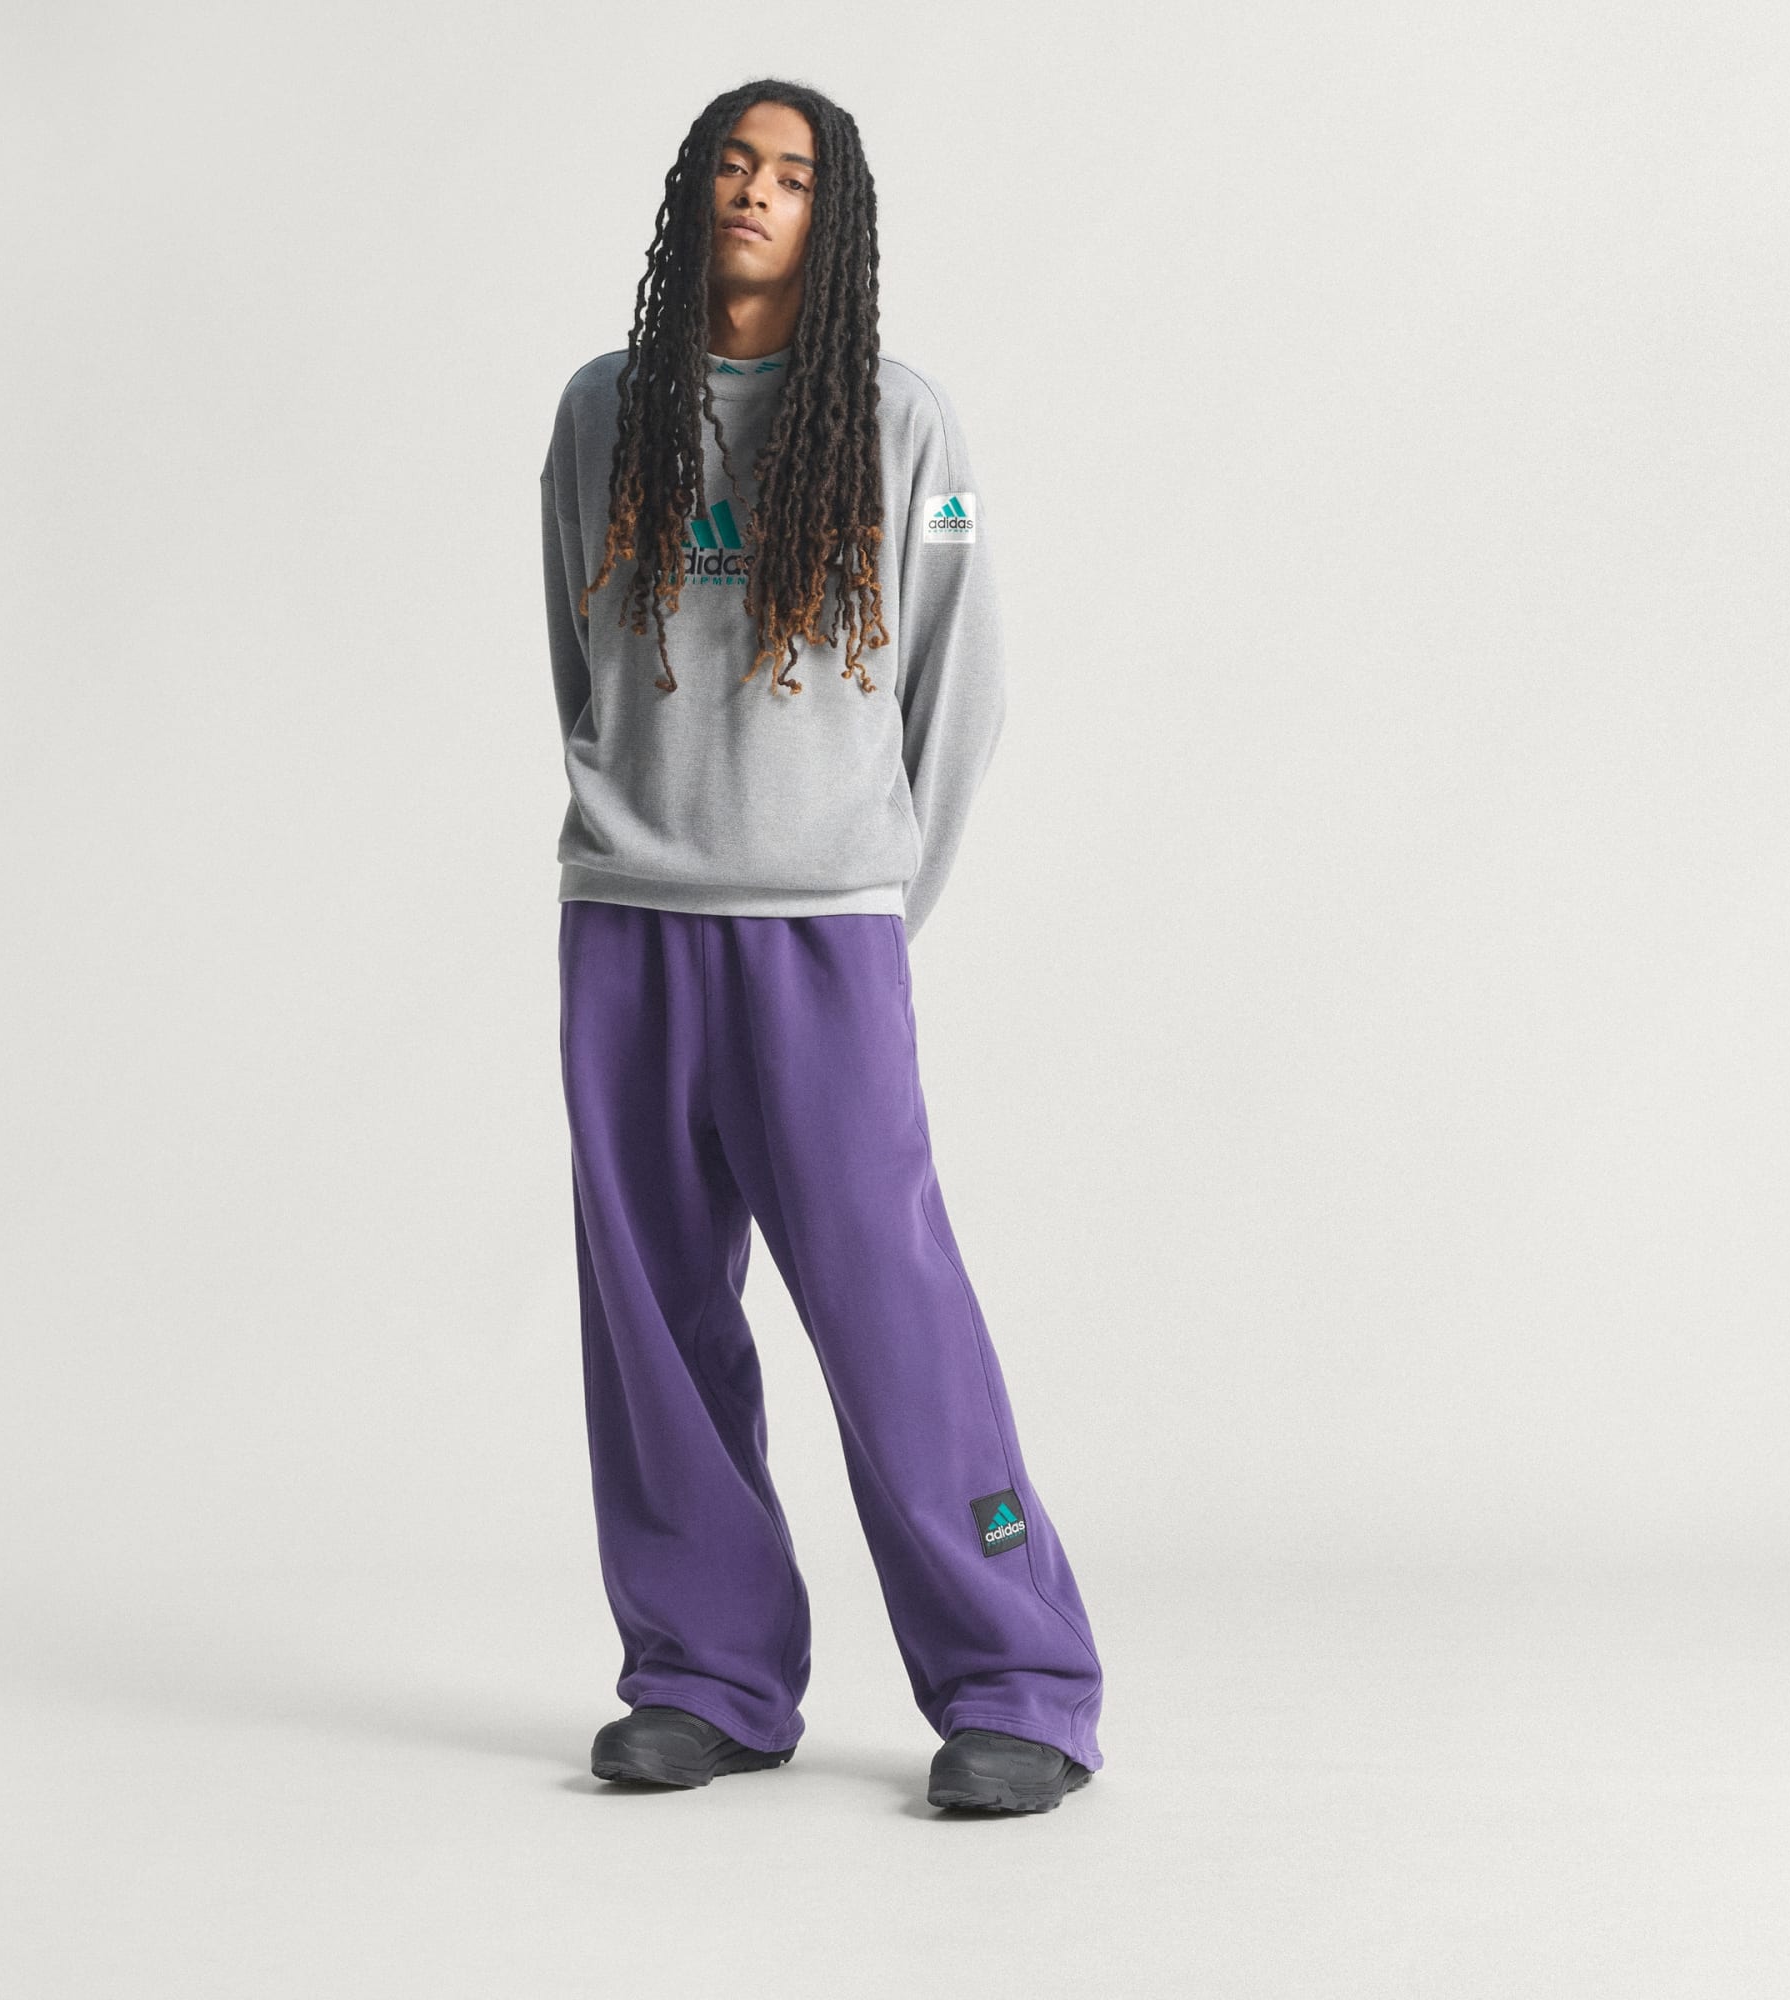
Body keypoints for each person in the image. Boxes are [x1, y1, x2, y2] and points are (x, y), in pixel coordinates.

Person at [540, 78, 1105, 1814]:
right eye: (733, 163)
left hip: (821, 938)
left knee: (889, 1305)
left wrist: (870, 894)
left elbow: (962, 686)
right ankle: (704, 1675)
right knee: (652, 1323)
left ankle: (1018, 1678)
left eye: (790, 174)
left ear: (830, 216)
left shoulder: (897, 426)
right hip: (630, 922)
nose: (755, 190)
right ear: (691, 194)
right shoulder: (601, 413)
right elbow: (576, 649)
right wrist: (637, 818)